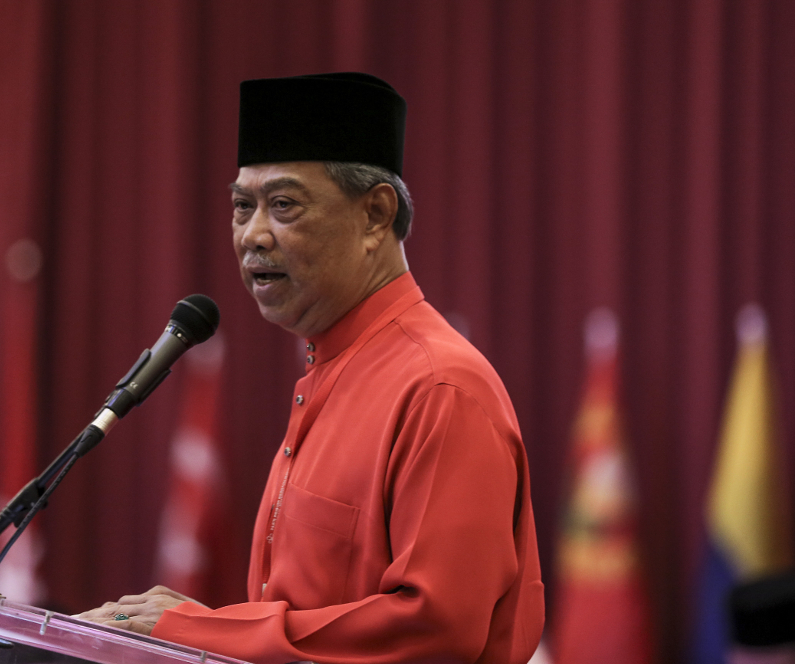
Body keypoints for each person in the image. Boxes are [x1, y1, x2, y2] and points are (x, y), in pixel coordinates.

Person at [76, 73, 545, 664]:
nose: (253, 235)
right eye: (242, 206)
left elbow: (437, 630)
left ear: (376, 214)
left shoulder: (439, 387)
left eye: (283, 205)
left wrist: (203, 632)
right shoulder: (332, 369)